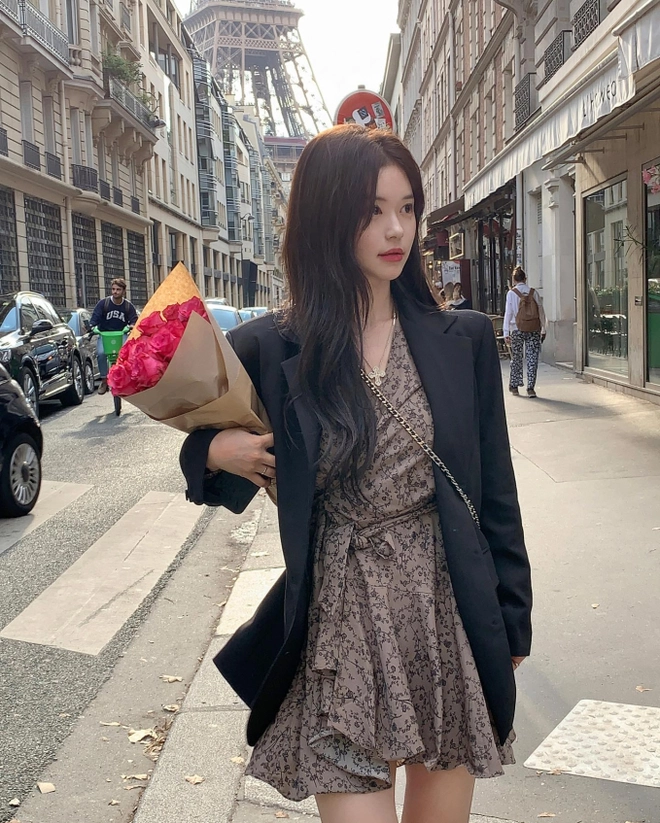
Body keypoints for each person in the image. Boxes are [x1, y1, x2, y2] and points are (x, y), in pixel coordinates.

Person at [180, 126, 532, 823]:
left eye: (407, 208)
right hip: (338, 620)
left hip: (443, 610)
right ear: (326, 216)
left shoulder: (461, 338)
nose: (396, 229)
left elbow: (496, 492)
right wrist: (217, 452)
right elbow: (201, 455)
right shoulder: (272, 345)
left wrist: (513, 621)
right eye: (372, 211)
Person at [503, 266, 546, 398]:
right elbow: (541, 311)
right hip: (533, 328)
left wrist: (506, 332)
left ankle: (514, 386)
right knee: (532, 357)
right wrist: (543, 328)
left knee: (516, 358)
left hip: (516, 329)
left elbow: (508, 313)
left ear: (514, 280)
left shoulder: (511, 294)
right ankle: (530, 388)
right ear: (525, 279)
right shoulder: (534, 292)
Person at [89, 278, 138, 394]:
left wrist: (131, 326)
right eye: (113, 289)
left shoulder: (128, 306)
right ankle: (104, 380)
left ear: (124, 291)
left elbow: (134, 320)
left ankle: (128, 378)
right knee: (101, 354)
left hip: (121, 334)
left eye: (118, 289)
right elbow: (95, 318)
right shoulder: (103, 304)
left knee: (126, 354)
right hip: (104, 335)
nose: (115, 292)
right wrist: (92, 326)